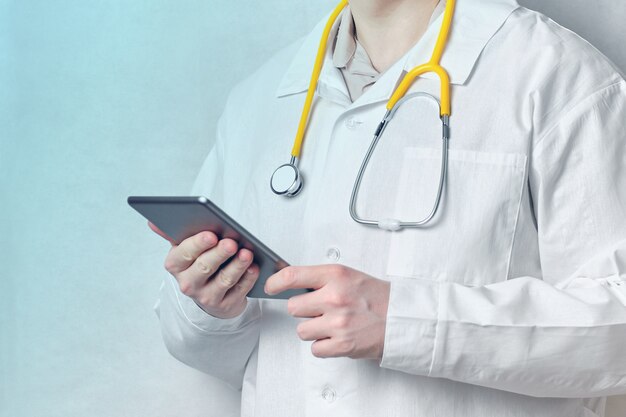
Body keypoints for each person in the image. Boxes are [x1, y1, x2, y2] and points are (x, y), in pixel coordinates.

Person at [150, 0, 626, 416]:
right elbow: (233, 358)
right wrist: (213, 307)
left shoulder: (556, 75)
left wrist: (406, 322)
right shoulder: (257, 100)